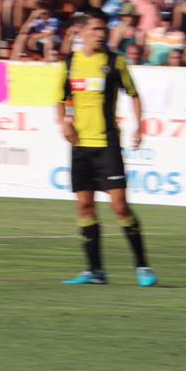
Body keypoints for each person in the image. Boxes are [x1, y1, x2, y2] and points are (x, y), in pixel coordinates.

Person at [58, 17, 157, 287]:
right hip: (80, 147)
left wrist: (139, 125)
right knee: (84, 206)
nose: (100, 35)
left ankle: (143, 266)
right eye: (95, 30)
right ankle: (95, 271)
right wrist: (65, 123)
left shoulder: (115, 62)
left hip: (107, 145)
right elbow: (62, 98)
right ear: (82, 33)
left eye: (103, 30)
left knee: (120, 207)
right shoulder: (70, 64)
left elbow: (134, 94)